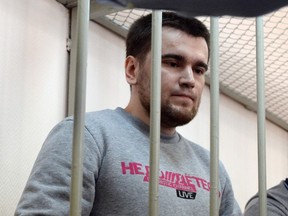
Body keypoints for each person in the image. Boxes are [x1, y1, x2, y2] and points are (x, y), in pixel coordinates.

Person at [15, 12, 241, 215]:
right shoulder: (86, 135)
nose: (190, 80)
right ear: (132, 70)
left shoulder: (211, 167)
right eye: (173, 63)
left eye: (199, 70)